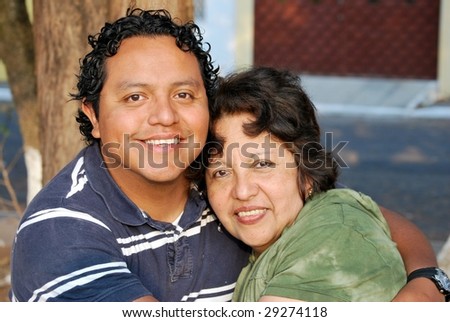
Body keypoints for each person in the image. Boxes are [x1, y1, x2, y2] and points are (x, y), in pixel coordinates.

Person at [8, 8, 444, 302]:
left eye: (183, 94)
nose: (164, 117)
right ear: (94, 115)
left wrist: (427, 279)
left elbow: (356, 212)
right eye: (135, 96)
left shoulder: (211, 181)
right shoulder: (62, 235)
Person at [204, 66, 448, 301]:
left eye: (263, 164)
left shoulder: (333, 237)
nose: (243, 191)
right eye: (222, 172)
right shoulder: (290, 229)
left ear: (307, 173)